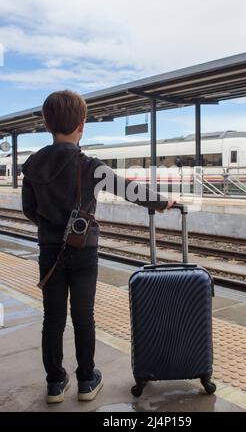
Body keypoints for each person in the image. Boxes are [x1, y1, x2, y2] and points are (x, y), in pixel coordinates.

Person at [21, 90, 175, 404]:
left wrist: (50, 227)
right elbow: (128, 189)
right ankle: (87, 380)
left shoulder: (33, 164)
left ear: (48, 125)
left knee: (52, 319)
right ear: (82, 125)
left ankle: (54, 383)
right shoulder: (89, 165)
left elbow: (29, 209)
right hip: (83, 251)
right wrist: (163, 202)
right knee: (83, 317)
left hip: (49, 252)